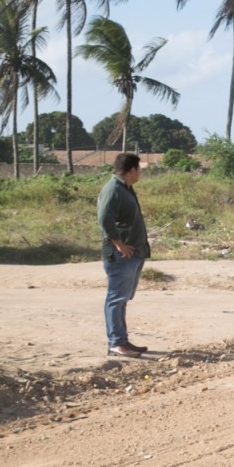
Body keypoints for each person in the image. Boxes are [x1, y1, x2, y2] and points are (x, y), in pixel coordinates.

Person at [97, 152, 150, 358]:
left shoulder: (125, 189)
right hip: (120, 255)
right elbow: (104, 218)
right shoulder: (113, 189)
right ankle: (116, 343)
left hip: (133, 253)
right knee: (115, 298)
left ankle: (122, 340)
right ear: (131, 170)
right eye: (139, 169)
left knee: (122, 299)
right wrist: (118, 243)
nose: (140, 174)